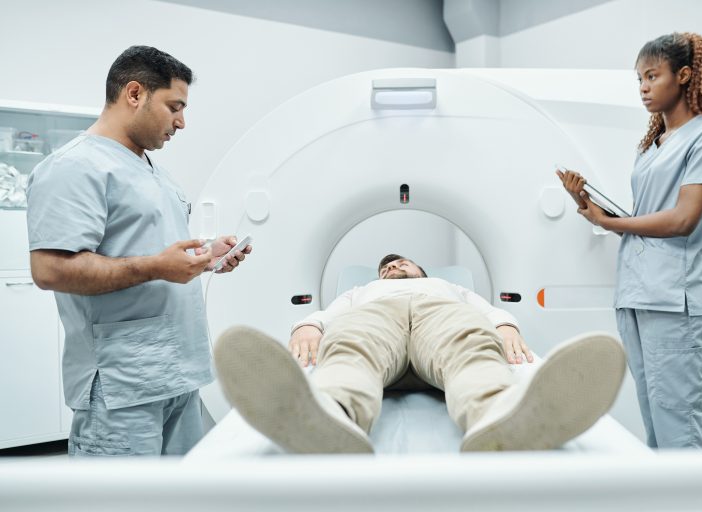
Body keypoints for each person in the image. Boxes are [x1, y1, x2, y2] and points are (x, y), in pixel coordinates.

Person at [26, 45, 251, 456]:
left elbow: (152, 252)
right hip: (122, 386)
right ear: (134, 94)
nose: (182, 122)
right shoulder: (75, 167)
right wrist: (158, 267)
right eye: (174, 107)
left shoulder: (153, 170)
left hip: (177, 374)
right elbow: (50, 270)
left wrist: (206, 254)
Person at [215, 254, 625, 453]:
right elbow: (330, 315)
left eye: (401, 265)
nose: (393, 269)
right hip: (379, 318)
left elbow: (487, 312)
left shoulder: (450, 289)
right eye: (387, 268)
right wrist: (307, 325)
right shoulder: (362, 292)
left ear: (422, 271)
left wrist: (505, 326)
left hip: (438, 316)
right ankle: (331, 416)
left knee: (471, 344)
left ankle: (499, 416)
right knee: (351, 344)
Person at [557, 33, 702, 448]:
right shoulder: (651, 146)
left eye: (652, 76)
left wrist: (612, 224)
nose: (643, 88)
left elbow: (683, 219)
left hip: (675, 296)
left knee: (679, 421)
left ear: (685, 75)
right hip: (636, 292)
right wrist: (589, 206)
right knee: (654, 417)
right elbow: (644, 216)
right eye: (639, 79)